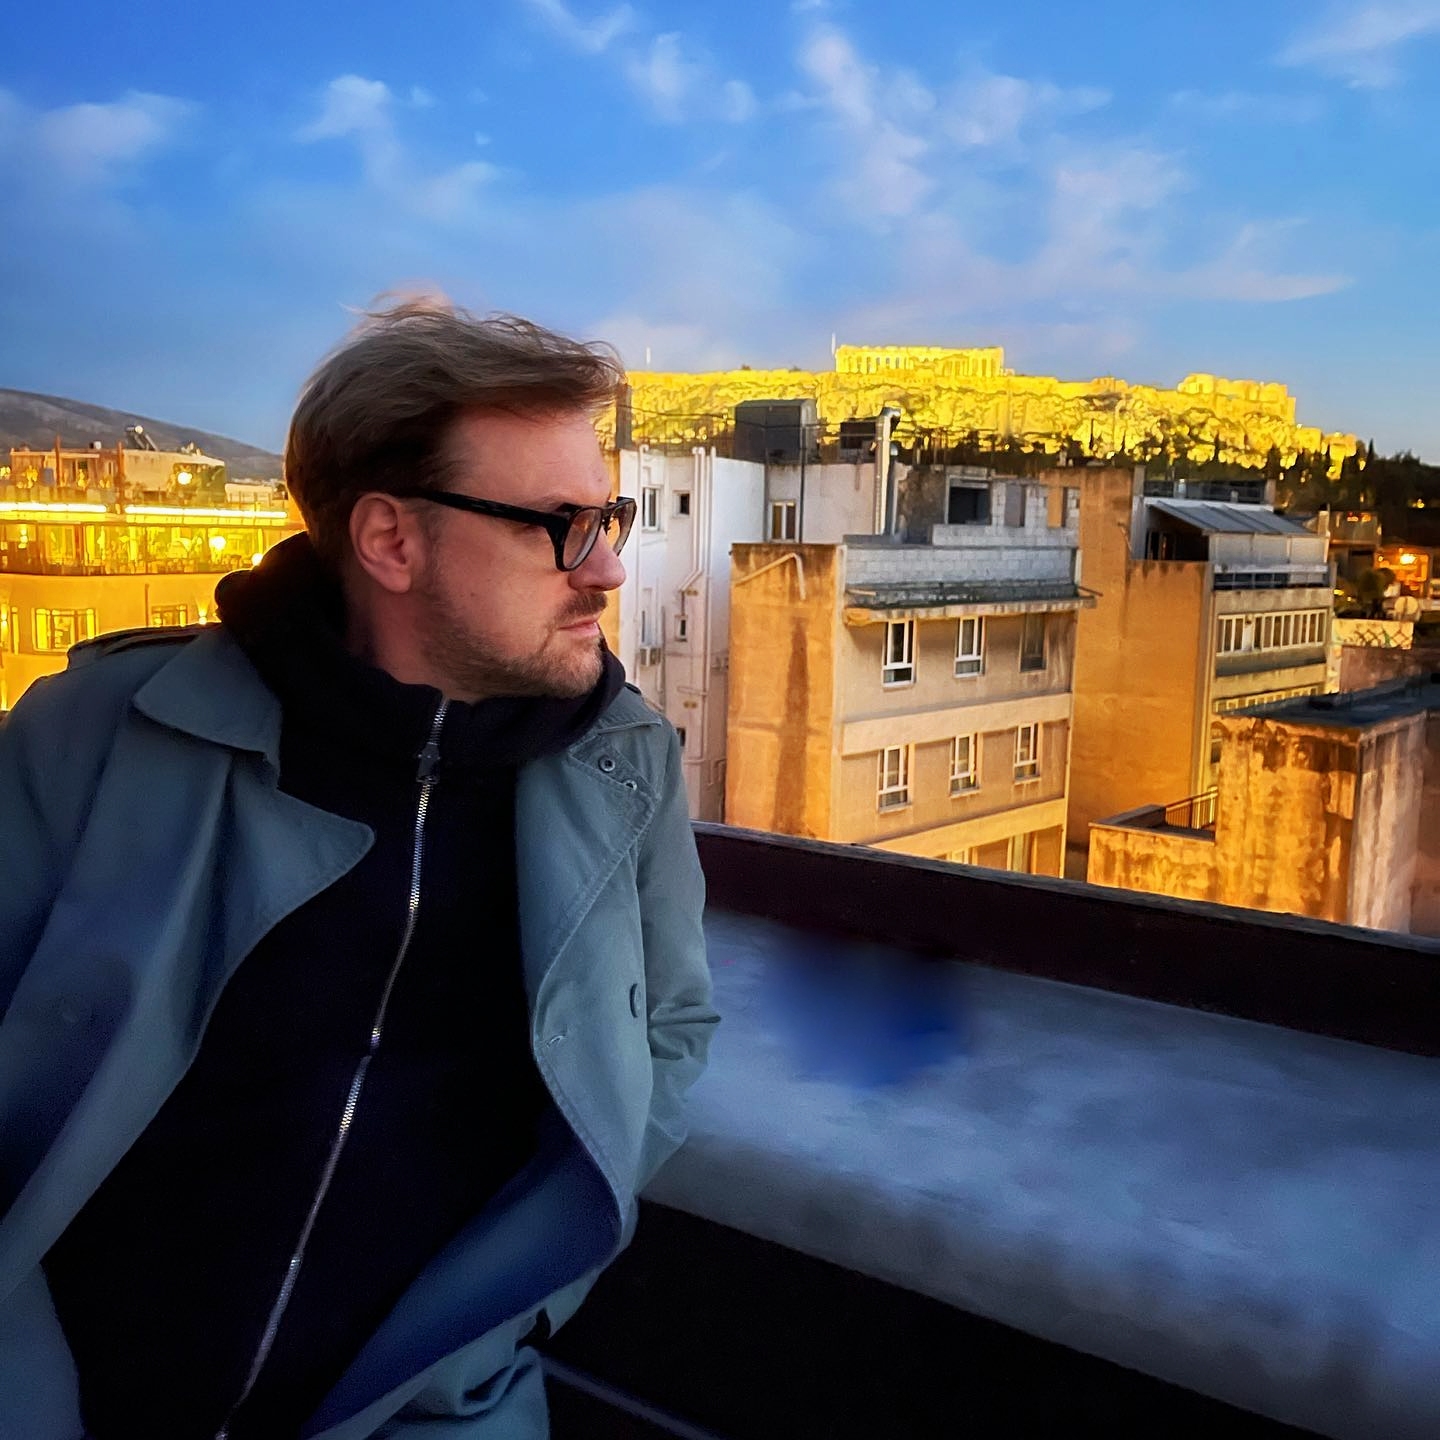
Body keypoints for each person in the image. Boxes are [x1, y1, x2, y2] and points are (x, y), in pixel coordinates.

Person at [0, 298, 718, 1439]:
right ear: (391, 541)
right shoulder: (97, 734)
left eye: (610, 518)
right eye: (564, 526)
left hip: (429, 1409)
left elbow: (670, 1026)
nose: (610, 570)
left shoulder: (624, 765)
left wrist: (492, 1331)